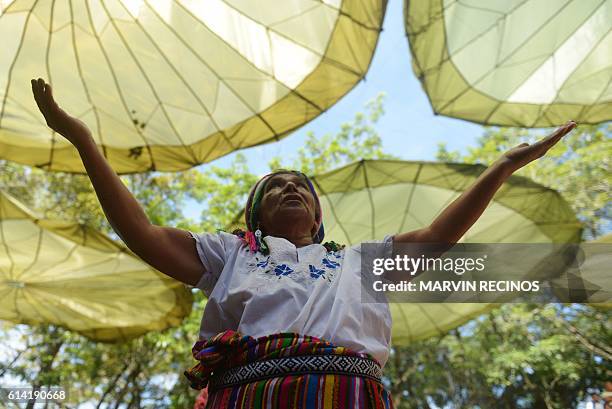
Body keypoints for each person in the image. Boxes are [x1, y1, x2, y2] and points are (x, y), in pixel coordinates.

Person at [30, 78, 577, 408]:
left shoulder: (364, 261)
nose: (291, 189)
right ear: (254, 216)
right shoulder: (231, 255)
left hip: (349, 397)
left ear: (317, 218)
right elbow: (144, 235)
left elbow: (437, 235)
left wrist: (503, 166)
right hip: (247, 398)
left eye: (302, 188)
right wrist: (82, 141)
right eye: (276, 187)